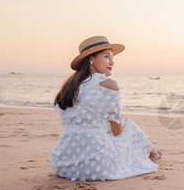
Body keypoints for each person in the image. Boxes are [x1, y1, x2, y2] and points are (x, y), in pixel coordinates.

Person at [51, 36, 161, 181]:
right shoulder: (108, 85)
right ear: (91, 59)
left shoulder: (70, 86)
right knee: (128, 124)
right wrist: (123, 120)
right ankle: (151, 153)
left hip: (64, 163)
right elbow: (117, 131)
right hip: (100, 166)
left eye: (112, 57)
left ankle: (151, 152)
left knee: (105, 125)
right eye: (106, 56)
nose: (112, 62)